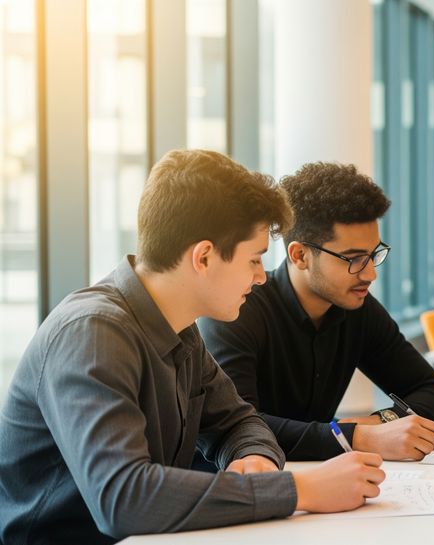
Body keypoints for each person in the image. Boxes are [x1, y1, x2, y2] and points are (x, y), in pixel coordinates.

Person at [0, 150, 386, 544]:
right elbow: (124, 499)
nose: (260, 278)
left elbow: (239, 421)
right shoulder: (93, 333)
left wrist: (254, 459)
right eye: (254, 260)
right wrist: (300, 490)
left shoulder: (180, 328)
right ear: (203, 257)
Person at [199, 162, 434, 462]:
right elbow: (240, 428)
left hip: (324, 482)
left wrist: (378, 423)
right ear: (300, 255)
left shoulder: (356, 309)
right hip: (238, 487)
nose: (370, 273)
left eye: (373, 255)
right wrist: (353, 437)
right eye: (354, 259)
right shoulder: (237, 311)